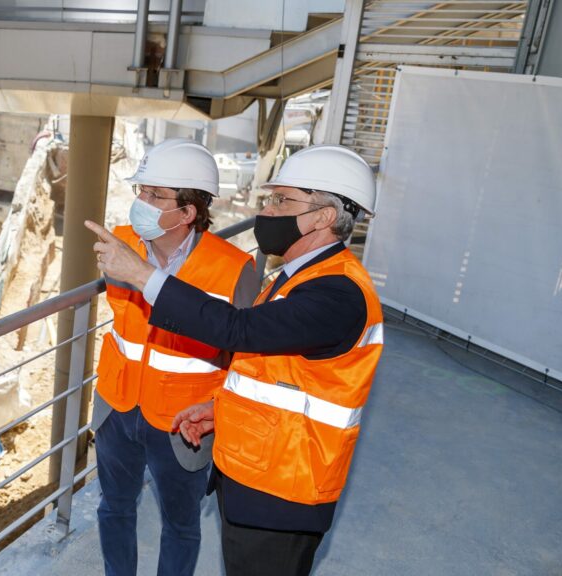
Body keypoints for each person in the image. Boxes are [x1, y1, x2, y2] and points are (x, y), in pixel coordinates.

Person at [86, 144, 385, 576]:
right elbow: (273, 372)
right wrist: (219, 409)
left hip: (284, 489)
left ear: (321, 217)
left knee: (188, 527)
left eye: (282, 200)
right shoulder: (299, 276)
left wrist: (142, 275)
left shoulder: (336, 294)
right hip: (255, 467)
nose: (268, 209)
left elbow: (237, 331)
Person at [92, 139, 258, 576]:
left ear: (187, 213)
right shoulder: (120, 243)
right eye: (141, 191)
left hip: (184, 421)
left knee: (181, 526)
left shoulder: (234, 268)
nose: (141, 203)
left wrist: (220, 410)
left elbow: (246, 354)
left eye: (155, 195)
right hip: (117, 405)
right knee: (114, 509)